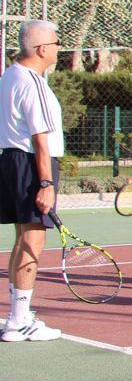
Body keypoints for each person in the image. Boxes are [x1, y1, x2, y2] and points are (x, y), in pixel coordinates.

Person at [0, 20, 64, 341]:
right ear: (41, 50)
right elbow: (41, 140)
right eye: (55, 43)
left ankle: (17, 316)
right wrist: (45, 183)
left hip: (12, 162)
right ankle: (18, 321)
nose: (58, 48)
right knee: (33, 241)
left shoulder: (10, 75)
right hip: (32, 164)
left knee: (21, 238)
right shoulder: (33, 83)